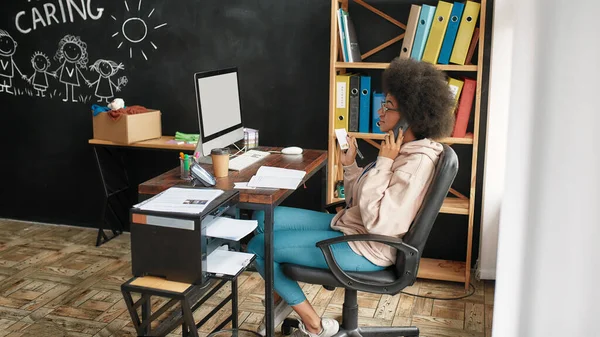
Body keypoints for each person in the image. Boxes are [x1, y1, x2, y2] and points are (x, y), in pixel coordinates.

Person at [247, 57, 456, 337]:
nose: (380, 111)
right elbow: (360, 203)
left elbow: (380, 224)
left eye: (388, 107)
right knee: (262, 218)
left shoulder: (413, 164)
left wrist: (383, 163)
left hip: (367, 248)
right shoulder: (403, 148)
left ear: (410, 118)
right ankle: (283, 297)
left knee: (260, 245)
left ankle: (314, 325)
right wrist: (350, 166)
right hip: (351, 225)